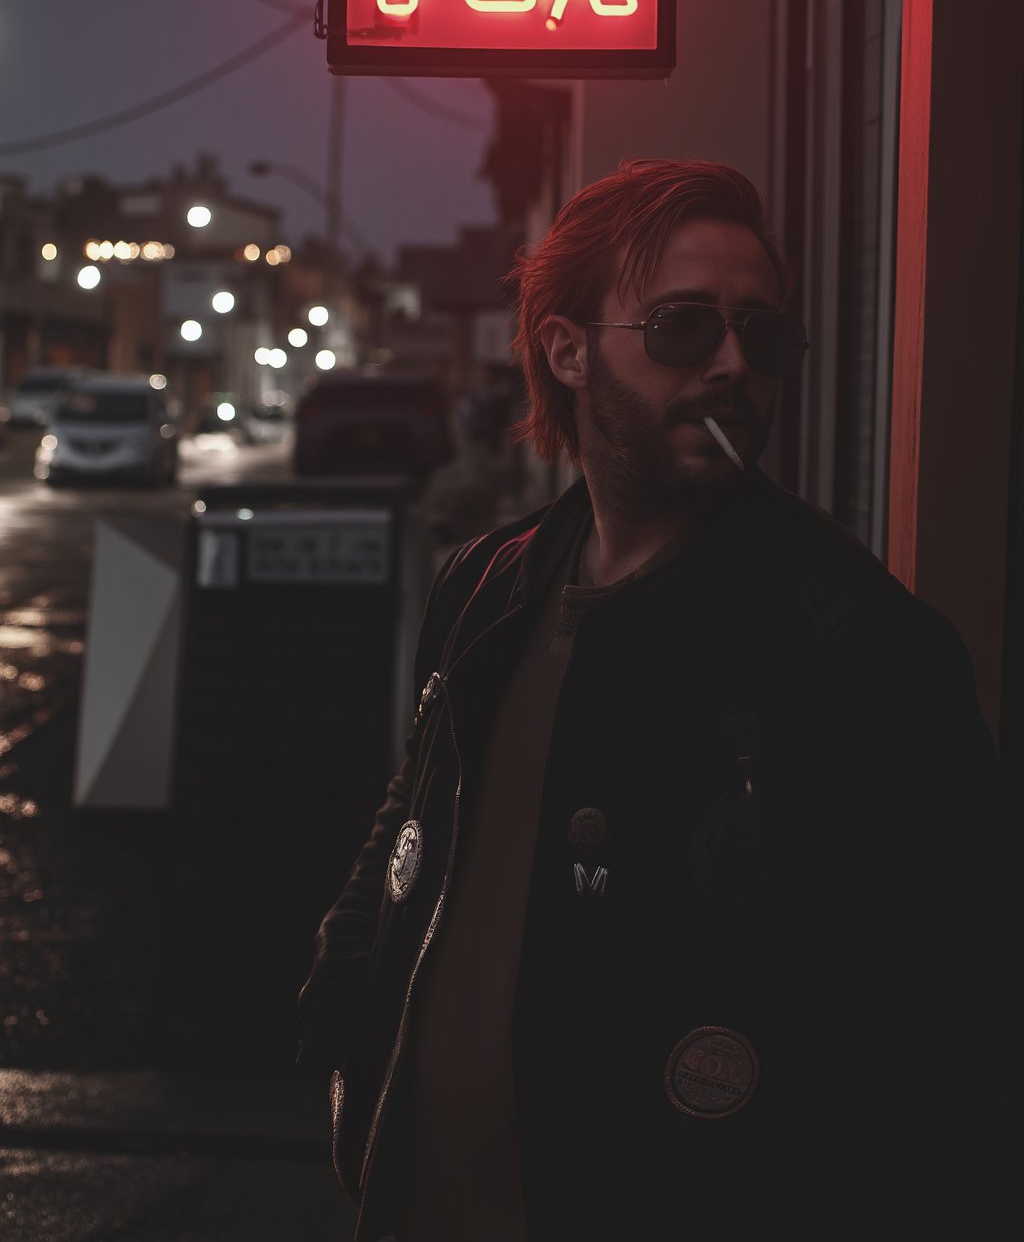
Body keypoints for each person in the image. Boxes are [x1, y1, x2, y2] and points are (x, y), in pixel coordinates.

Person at [297, 159, 1016, 1242]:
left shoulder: (855, 644)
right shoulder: (486, 585)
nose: (733, 365)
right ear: (567, 349)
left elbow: (941, 1030)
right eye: (683, 328)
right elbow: (415, 812)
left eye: (761, 337)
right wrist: (347, 1021)